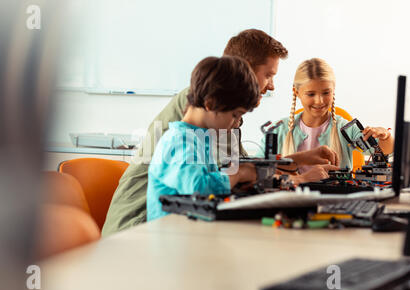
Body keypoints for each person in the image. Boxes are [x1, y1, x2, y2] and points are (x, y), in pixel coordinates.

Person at [101, 31, 335, 237]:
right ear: (241, 68)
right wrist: (300, 179)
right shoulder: (201, 108)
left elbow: (241, 168)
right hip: (139, 228)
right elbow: (226, 178)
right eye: (268, 75)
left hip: (182, 225)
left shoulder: (217, 108)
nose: (272, 85)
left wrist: (298, 159)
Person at [147, 56, 260, 221]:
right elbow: (198, 187)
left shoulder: (199, 139)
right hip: (172, 239)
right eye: (235, 115)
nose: (236, 124)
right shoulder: (178, 141)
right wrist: (239, 174)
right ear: (211, 103)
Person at [256, 58, 394, 172]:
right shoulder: (277, 130)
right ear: (296, 92)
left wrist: (385, 137)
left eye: (326, 93)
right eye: (311, 94)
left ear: (333, 91)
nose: (319, 101)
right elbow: (256, 169)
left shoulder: (345, 128)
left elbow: (384, 152)